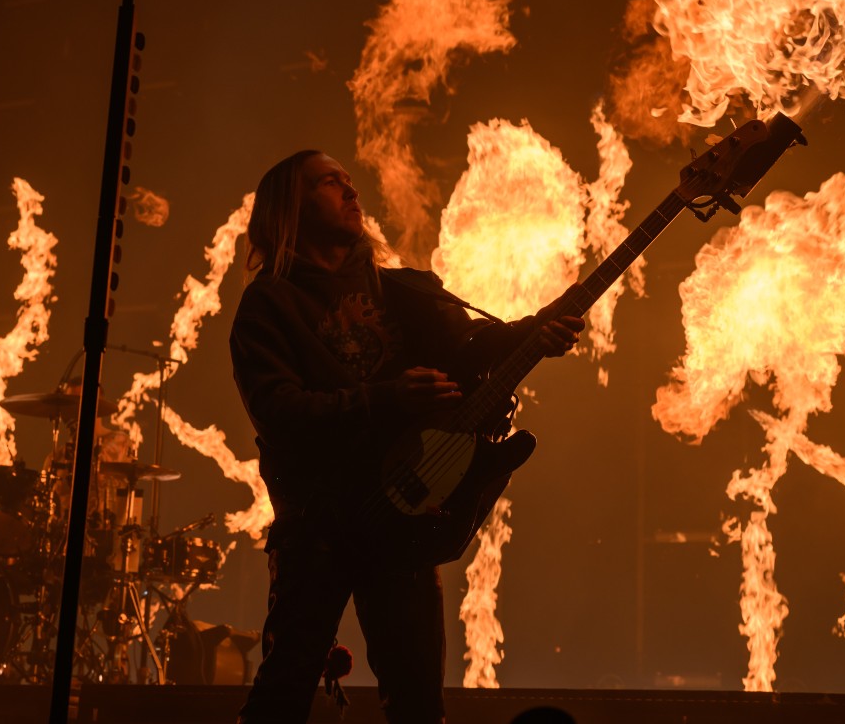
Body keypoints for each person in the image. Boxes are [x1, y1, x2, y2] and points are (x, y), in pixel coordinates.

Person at [230, 150, 585, 724]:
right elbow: (277, 411)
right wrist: (388, 397)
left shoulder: (405, 290)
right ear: (289, 209)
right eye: (329, 182)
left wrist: (533, 331)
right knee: (284, 691)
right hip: (317, 523)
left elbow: (470, 350)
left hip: (402, 518)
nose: (351, 191)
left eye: (349, 181)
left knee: (418, 700)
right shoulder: (270, 304)